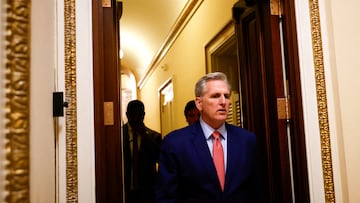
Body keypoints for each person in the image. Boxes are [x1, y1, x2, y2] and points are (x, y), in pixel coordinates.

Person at [156, 72, 262, 202]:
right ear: (199, 103)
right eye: (215, 96)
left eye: (227, 96)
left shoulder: (247, 140)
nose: (223, 102)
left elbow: (256, 192)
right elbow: (166, 198)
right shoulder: (176, 143)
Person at [123, 100, 162, 203]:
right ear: (127, 115)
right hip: (123, 191)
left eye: (138, 115)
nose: (135, 118)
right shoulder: (118, 135)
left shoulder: (154, 137)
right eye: (132, 115)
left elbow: (161, 159)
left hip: (147, 192)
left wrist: (145, 136)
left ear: (143, 115)